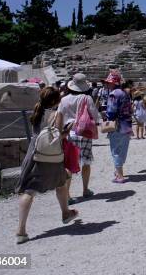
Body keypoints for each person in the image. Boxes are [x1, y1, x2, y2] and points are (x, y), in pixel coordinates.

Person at [16, 87, 79, 245]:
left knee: (30, 189)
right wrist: (67, 131)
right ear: (55, 101)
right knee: (61, 182)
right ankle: (65, 213)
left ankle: (21, 230)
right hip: (51, 155)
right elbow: (56, 137)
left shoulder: (36, 112)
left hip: (34, 153)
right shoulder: (57, 114)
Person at [57, 73, 102, 203]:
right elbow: (94, 114)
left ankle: (68, 195)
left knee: (69, 165)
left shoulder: (63, 100)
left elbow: (59, 116)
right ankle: (85, 189)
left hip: (69, 133)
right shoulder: (86, 98)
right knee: (86, 162)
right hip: (84, 133)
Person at [104, 70, 133, 183]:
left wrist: (105, 115)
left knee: (115, 149)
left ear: (113, 83)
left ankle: (120, 175)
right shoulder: (125, 93)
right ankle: (118, 171)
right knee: (123, 149)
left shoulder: (113, 94)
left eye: (109, 82)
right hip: (127, 124)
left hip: (117, 125)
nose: (108, 84)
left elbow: (111, 112)